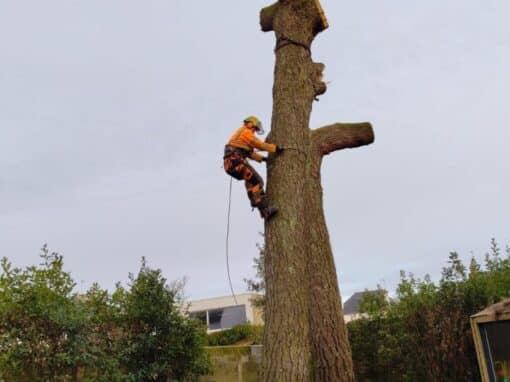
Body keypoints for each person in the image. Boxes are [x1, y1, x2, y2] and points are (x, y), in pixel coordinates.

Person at [223, 116, 282, 220]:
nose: (255, 131)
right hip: (236, 160)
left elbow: (249, 153)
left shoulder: (240, 137)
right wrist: (275, 148)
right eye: (255, 128)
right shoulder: (246, 132)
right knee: (258, 182)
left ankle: (258, 205)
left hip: (231, 164)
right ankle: (265, 209)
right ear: (251, 124)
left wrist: (263, 159)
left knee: (250, 182)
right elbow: (259, 145)